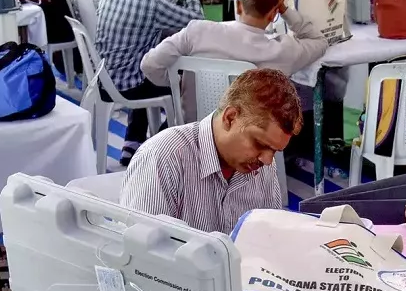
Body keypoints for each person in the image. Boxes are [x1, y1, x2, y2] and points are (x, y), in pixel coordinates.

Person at [121, 69, 300, 233]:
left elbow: (268, 238)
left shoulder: (262, 165)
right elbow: (143, 255)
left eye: (275, 151)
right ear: (230, 118)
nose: (267, 160)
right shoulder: (163, 156)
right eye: (259, 144)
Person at [96, 0, 205, 163]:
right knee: (185, 77)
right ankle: (163, 139)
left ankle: (132, 142)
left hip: (104, 81)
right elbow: (198, 20)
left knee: (145, 61)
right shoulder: (151, 4)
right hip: (132, 86)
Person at [141, 0, 327, 103]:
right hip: (247, 144)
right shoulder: (283, 52)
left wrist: (179, 84)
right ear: (272, 15)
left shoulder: (197, 32)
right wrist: (284, 9)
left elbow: (149, 64)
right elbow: (319, 40)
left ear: (238, 6)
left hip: (196, 134)